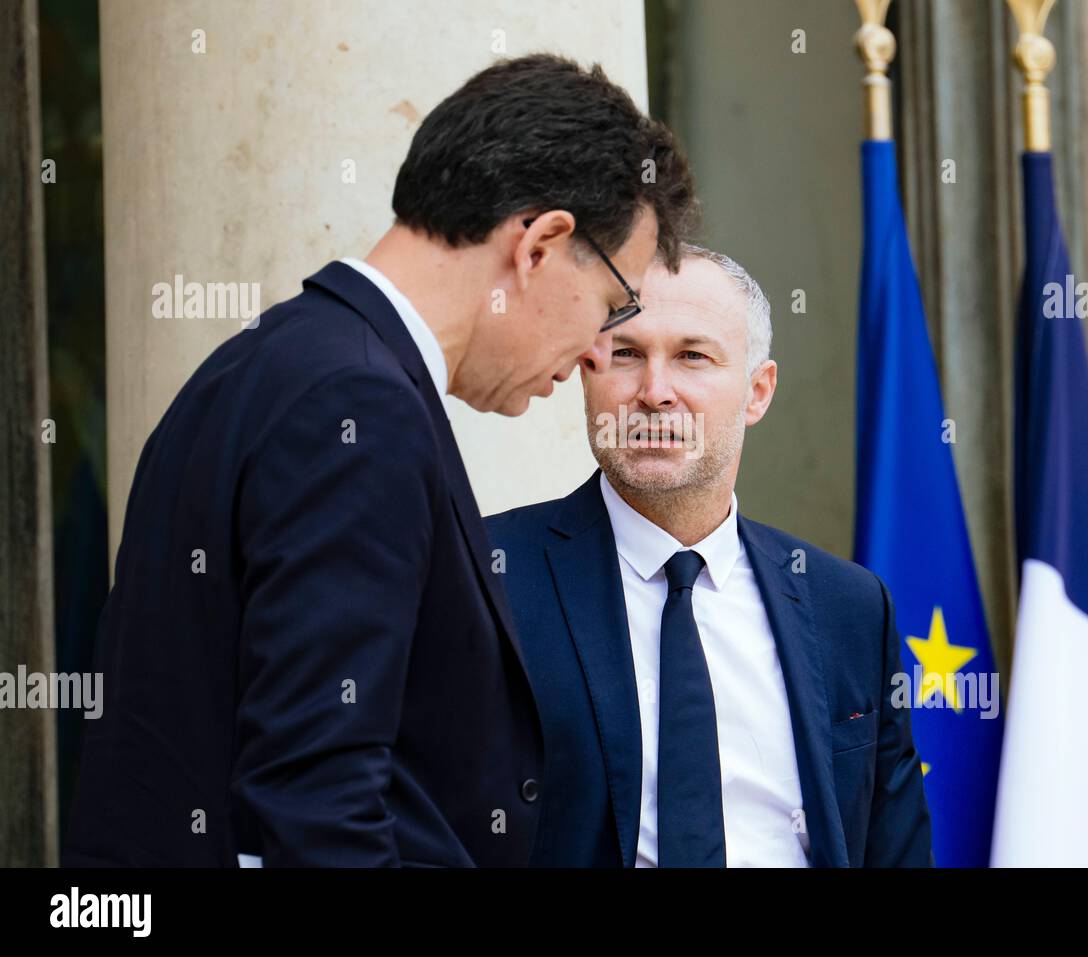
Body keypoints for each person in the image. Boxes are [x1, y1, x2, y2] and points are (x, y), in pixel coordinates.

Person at [63, 54, 698, 867]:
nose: (595, 356)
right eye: (615, 305)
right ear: (541, 244)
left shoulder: (258, 365)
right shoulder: (359, 406)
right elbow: (316, 803)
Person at [487, 246, 932, 867]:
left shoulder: (849, 606)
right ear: (585, 374)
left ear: (757, 392)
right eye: (626, 354)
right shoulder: (488, 576)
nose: (655, 392)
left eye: (693, 356)